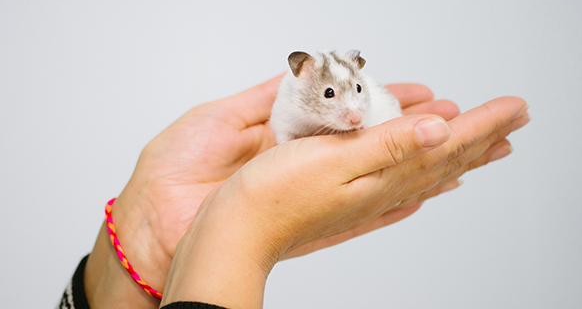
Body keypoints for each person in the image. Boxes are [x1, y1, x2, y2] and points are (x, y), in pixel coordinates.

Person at [59, 74, 529, 309]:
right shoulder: (290, 106)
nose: (352, 113)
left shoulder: (364, 103)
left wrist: (145, 232)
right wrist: (239, 232)